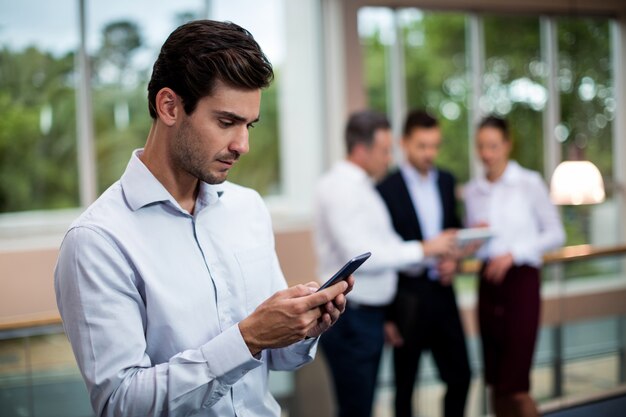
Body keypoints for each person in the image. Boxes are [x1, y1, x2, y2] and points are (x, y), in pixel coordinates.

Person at [54, 20, 353, 417]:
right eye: (226, 122)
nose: (242, 145)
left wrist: (302, 329)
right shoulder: (97, 241)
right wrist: (246, 339)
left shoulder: (248, 209)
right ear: (170, 106)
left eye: (249, 125)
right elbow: (120, 404)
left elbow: (277, 360)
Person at [313, 110, 456, 417]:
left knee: (363, 406)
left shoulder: (365, 188)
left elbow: (390, 244)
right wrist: (424, 249)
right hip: (352, 319)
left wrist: (430, 253)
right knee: (357, 409)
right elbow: (362, 256)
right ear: (362, 150)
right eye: (384, 151)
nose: (389, 158)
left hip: (367, 317)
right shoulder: (339, 188)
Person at [464, 116, 565, 417]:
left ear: (507, 145)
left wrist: (513, 254)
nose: (487, 154)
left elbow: (555, 234)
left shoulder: (528, 183)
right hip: (488, 285)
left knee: (517, 386)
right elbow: (475, 246)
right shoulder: (473, 191)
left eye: (493, 146)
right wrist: (473, 239)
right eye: (481, 146)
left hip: (521, 284)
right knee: (495, 382)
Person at [377, 110, 471, 417]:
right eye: (422, 146)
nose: (430, 153)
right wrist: (388, 317)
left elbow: (454, 230)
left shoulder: (446, 180)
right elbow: (383, 254)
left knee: (461, 376)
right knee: (404, 389)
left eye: (435, 145)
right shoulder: (385, 189)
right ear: (404, 143)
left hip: (443, 294)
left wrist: (454, 262)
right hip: (407, 299)